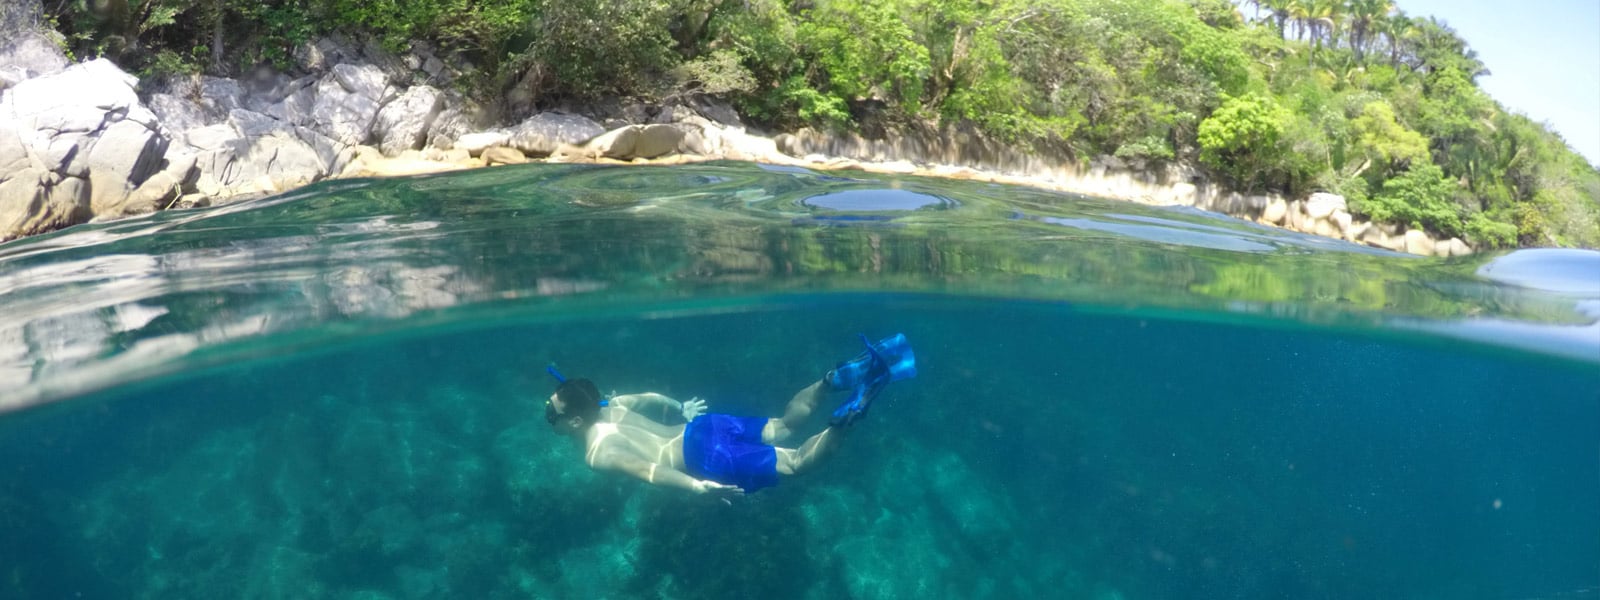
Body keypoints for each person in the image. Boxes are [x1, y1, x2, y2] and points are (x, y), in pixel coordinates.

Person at [543, 334, 916, 498]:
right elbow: (649, 397)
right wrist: (680, 409)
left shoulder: (597, 453)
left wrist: (697, 487)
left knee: (797, 462)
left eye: (551, 415)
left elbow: (649, 471)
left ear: (575, 422)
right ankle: (831, 380)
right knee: (782, 426)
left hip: (703, 458)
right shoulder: (613, 404)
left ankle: (855, 406)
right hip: (703, 426)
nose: (548, 416)